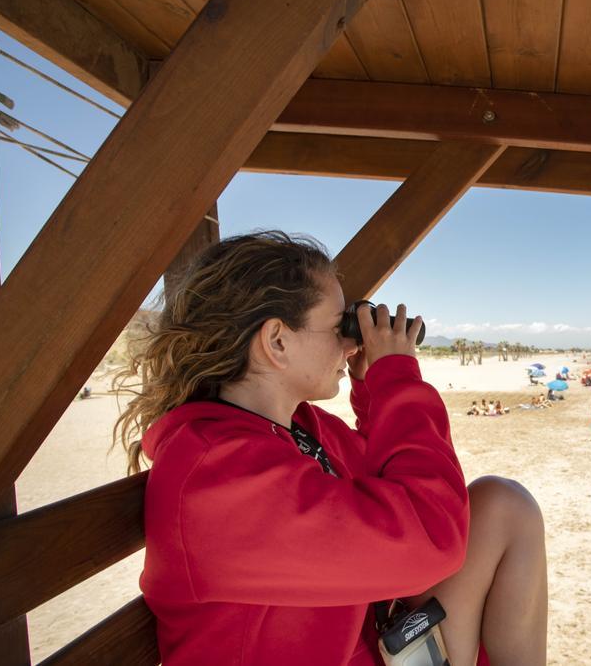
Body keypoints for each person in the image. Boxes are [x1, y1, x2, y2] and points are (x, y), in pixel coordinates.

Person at [114, 232, 547, 665]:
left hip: (364, 644)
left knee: (503, 505)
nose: (351, 343)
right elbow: (431, 531)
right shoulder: (217, 477)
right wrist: (396, 375)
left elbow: (391, 483)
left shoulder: (296, 429)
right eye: (339, 326)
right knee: (497, 509)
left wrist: (371, 388)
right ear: (277, 341)